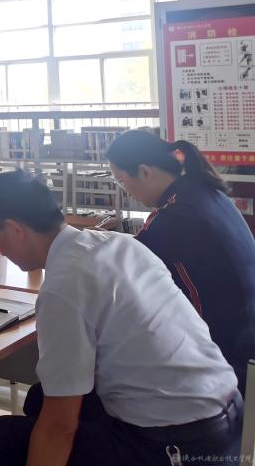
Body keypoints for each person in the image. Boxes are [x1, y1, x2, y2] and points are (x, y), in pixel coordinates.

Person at [0, 170, 241, 466]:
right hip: (228, 413)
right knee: (40, 399)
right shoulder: (120, 244)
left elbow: (60, 427)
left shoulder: (64, 285)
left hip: (179, 445)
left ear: (15, 229)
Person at [107, 129, 255, 393]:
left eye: (121, 181)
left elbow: (123, 269)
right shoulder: (204, 190)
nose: (125, 191)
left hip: (224, 358)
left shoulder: (174, 216)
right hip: (245, 335)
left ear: (144, 172)